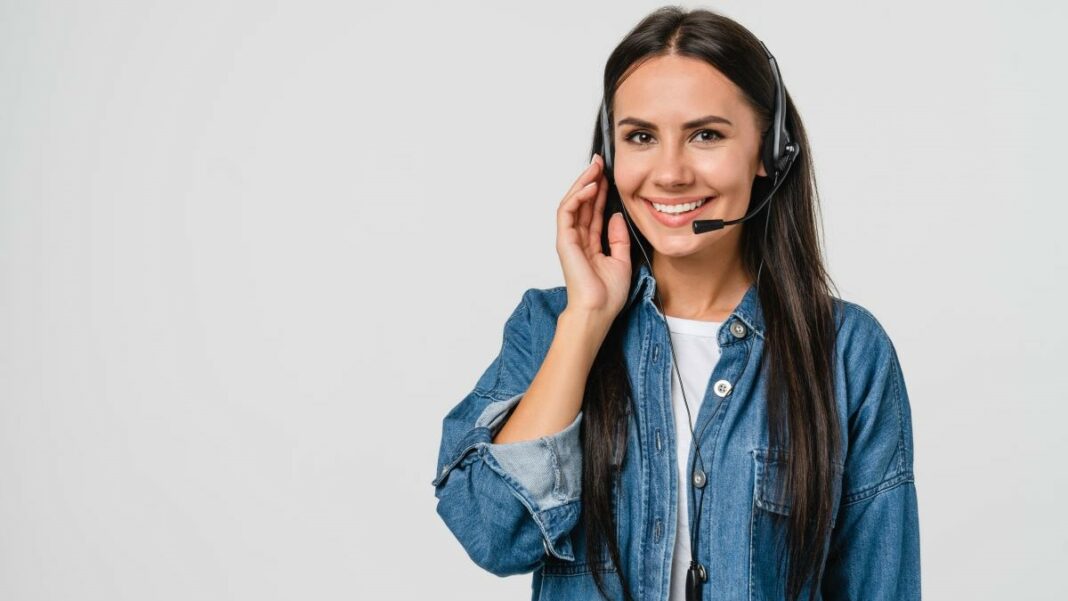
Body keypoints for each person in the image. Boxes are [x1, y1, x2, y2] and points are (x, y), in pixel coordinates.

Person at [431, 7, 920, 601]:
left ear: (769, 151)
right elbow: (492, 533)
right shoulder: (550, 326)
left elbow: (880, 586)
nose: (669, 173)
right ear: (608, 158)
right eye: (640, 137)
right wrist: (586, 319)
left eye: (706, 135)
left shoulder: (847, 351)